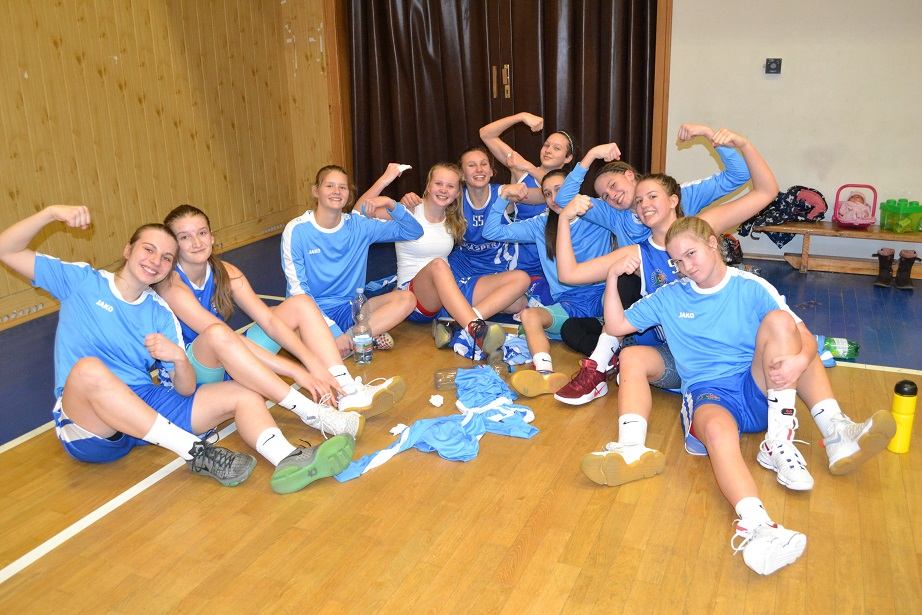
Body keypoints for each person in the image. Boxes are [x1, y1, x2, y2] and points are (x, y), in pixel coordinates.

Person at [581, 216, 896, 575]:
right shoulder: (669, 296)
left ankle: (824, 432)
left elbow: (804, 336)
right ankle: (759, 526)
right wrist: (612, 277)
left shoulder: (750, 286)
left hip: (758, 385)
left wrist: (798, 361)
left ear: (712, 243)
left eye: (691, 254)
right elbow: (616, 326)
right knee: (718, 432)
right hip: (710, 394)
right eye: (677, 261)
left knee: (784, 327)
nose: (686, 267)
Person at [0, 205, 355, 494]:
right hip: (91, 425)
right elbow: (6, 249)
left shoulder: (159, 312)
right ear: (128, 250)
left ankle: (289, 459)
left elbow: (183, 388)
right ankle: (196, 452)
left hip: (143, 405)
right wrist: (51, 213)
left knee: (244, 395)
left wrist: (177, 358)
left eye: (166, 257)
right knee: (89, 370)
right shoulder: (81, 281)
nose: (155, 260)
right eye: (148, 249)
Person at [552, 126, 754, 405]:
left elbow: (742, 178)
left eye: (613, 186)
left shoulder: (681, 199)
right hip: (645, 304)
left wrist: (712, 135)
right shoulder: (615, 215)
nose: (612, 196)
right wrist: (591, 156)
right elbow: (564, 202)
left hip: (690, 305)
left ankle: (616, 359)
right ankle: (611, 360)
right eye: (605, 195)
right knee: (575, 325)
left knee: (629, 280)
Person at [157, 204, 404, 424]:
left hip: (229, 354)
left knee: (300, 304)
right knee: (218, 335)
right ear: (173, 246)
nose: (197, 242)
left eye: (201, 233)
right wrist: (299, 371)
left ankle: (346, 389)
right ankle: (311, 412)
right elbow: (225, 338)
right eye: (185, 237)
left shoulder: (225, 271)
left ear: (212, 237)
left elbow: (268, 320)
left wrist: (313, 363)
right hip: (197, 372)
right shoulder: (172, 287)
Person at [363, 162, 529, 358]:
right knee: (439, 265)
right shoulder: (407, 211)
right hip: (416, 296)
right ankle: (475, 331)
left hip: (445, 288)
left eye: (450, 186)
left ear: (458, 193)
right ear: (428, 186)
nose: (443, 190)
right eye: (438, 184)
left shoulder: (453, 219)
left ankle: (456, 324)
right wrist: (386, 179)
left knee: (519, 289)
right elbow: (359, 212)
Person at [482, 170, 613, 396]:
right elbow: (491, 231)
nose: (554, 199)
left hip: (603, 298)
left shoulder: (597, 214)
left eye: (559, 190)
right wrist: (503, 197)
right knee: (529, 315)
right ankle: (544, 373)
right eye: (547, 194)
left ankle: (611, 355)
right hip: (569, 305)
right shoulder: (541, 224)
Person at [281, 164, 423, 357]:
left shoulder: (359, 226)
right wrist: (333, 331)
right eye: (329, 186)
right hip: (309, 313)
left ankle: (351, 340)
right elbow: (298, 291)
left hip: (350, 310)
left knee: (407, 299)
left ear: (349, 194)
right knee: (283, 328)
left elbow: (413, 231)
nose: (336, 191)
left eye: (343, 187)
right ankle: (362, 337)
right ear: (316, 191)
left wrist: (391, 204)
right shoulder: (297, 230)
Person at [480, 112, 576, 277]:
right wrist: (521, 117)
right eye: (546, 145)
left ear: (568, 158)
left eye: (557, 148)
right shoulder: (522, 172)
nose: (548, 150)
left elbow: (548, 192)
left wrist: (528, 167)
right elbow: (486, 134)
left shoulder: (569, 185)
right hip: (519, 257)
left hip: (553, 260)